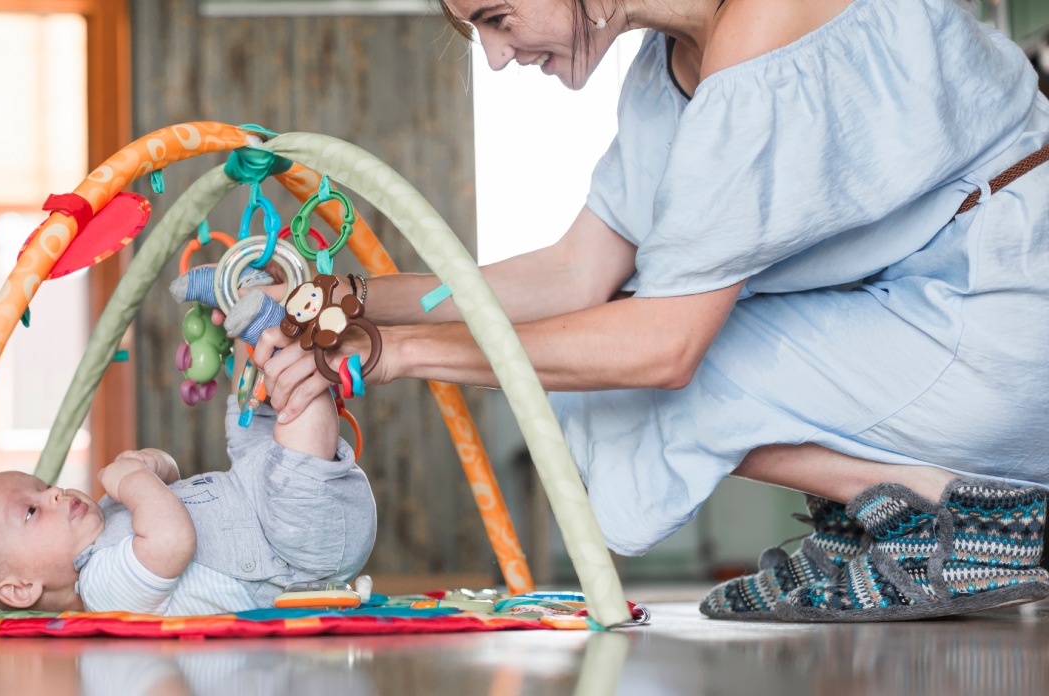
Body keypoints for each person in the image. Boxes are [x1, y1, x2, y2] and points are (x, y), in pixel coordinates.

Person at [251, 0, 1049, 622]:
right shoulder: (668, 63)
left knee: (625, 364)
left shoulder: (764, 26)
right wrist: (349, 298)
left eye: (497, 18)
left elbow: (664, 348)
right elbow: (572, 274)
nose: (495, 56)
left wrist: (395, 352)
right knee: (596, 351)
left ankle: (956, 514)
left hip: (1004, 309)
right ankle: (891, 511)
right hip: (927, 305)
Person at [0, 369, 376, 615]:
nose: (54, 494)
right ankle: (301, 357)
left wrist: (152, 466)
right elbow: (172, 539)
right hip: (293, 550)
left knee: (246, 415)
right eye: (31, 511)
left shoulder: (106, 517)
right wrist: (131, 481)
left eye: (45, 486)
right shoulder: (102, 589)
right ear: (22, 588)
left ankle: (261, 329)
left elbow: (175, 484)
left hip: (258, 496)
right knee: (296, 415)